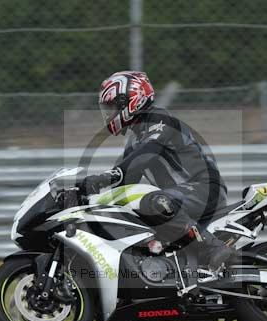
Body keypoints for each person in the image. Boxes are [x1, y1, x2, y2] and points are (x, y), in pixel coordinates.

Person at [79, 71, 233, 272]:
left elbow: (143, 155)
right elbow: (124, 176)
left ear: (132, 100)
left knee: (150, 201)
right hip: (178, 199)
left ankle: (212, 247)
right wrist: (87, 196)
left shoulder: (160, 120)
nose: (109, 113)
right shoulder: (135, 139)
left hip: (204, 188)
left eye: (113, 106)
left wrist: (104, 178)